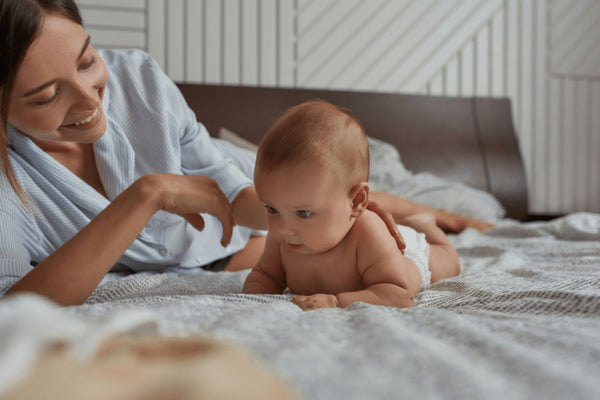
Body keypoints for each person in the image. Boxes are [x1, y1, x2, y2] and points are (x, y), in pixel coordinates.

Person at [0, 0, 489, 307]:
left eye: (88, 61)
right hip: (226, 246)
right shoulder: (8, 177)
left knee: (321, 192)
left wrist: (316, 207)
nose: (90, 100)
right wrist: (147, 194)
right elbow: (15, 307)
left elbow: (240, 195)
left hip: (239, 201)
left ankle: (434, 214)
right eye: (46, 96)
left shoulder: (138, 82)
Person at [242, 100, 461, 310]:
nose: (282, 228)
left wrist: (337, 302)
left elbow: (399, 294)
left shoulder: (366, 231)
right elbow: (265, 276)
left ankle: (427, 226)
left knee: (449, 263)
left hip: (410, 256)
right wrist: (252, 297)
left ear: (356, 202)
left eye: (304, 213)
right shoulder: (284, 235)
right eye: (272, 209)